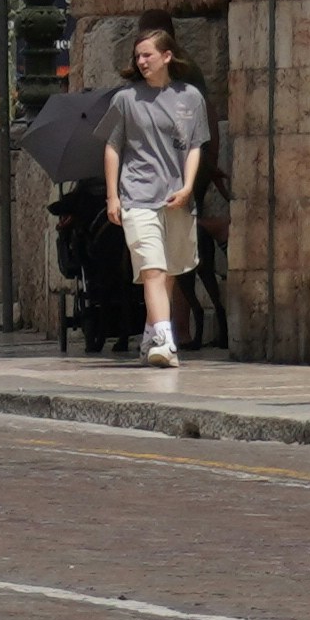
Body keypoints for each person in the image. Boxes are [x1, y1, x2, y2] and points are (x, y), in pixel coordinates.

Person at [105, 27, 211, 369]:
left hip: (176, 197)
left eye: (147, 54)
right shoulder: (125, 100)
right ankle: (166, 339)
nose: (141, 61)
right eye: (137, 56)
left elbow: (196, 146)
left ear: (167, 56)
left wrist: (188, 186)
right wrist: (112, 196)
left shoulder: (191, 97)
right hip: (137, 195)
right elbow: (112, 147)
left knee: (168, 271)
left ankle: (151, 331)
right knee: (152, 268)